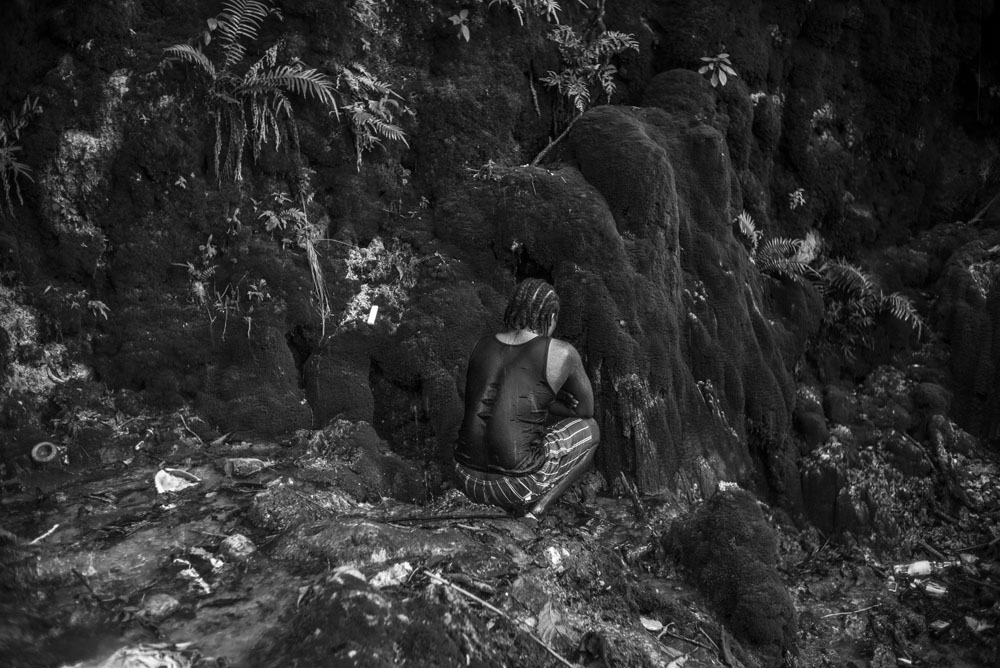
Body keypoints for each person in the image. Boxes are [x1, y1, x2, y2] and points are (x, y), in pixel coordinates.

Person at [454, 278, 601, 519]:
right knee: (592, 430)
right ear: (551, 318)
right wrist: (551, 400)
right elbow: (586, 411)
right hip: (514, 487)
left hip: (465, 476)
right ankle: (538, 509)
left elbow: (491, 397)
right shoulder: (562, 353)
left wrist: (543, 397)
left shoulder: (481, 346)